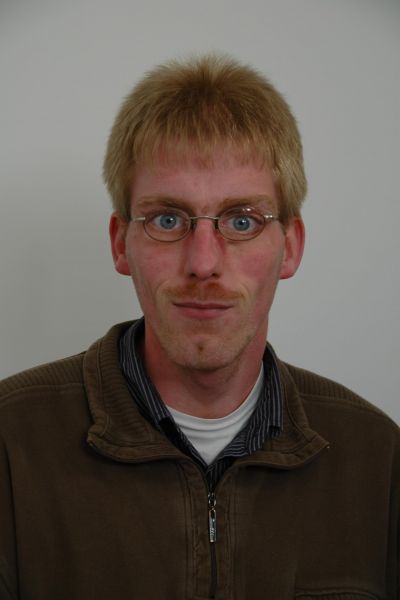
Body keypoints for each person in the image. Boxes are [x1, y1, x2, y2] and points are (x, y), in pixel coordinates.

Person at [0, 54, 398, 600]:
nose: (204, 263)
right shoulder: (10, 445)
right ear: (120, 243)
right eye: (167, 219)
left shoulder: (378, 458)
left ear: (290, 246)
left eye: (242, 221)